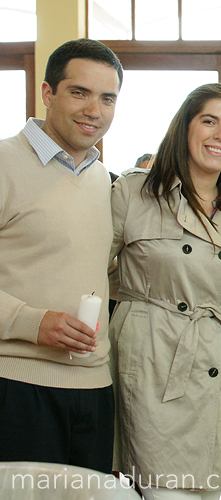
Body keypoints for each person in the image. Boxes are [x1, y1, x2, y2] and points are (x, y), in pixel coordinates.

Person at [110, 83, 221, 500]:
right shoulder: (135, 193)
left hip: (219, 372)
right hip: (155, 364)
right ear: (184, 127)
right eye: (209, 121)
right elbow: (90, 275)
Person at [0, 38, 122, 474]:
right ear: (47, 94)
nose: (95, 110)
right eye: (80, 93)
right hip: (16, 388)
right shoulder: (4, 162)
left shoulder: (102, 177)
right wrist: (30, 322)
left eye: (107, 98)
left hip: (94, 390)